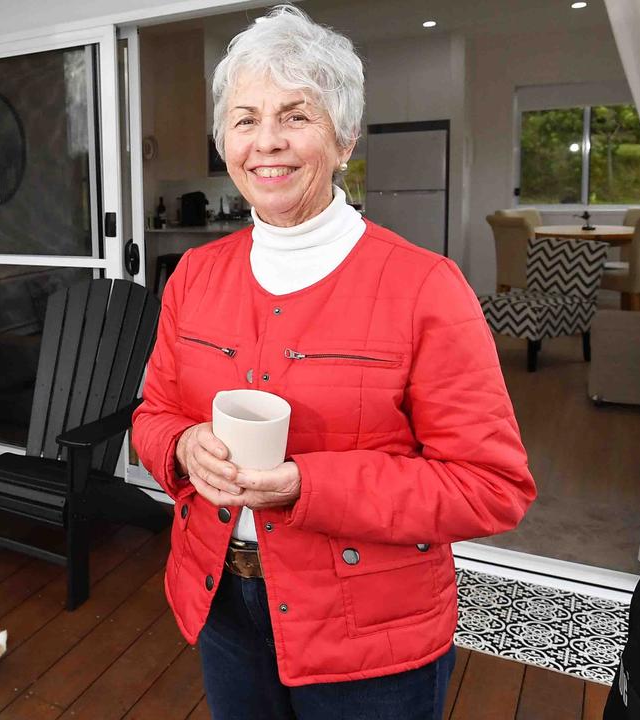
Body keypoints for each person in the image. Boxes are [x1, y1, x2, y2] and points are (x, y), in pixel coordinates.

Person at [131, 6, 536, 719]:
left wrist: (306, 485)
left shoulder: (424, 287)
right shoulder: (193, 275)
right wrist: (183, 445)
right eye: (246, 118)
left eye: (297, 116)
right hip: (222, 601)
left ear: (345, 137)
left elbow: (491, 485)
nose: (268, 142)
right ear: (225, 137)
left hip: (370, 632)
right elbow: (152, 415)